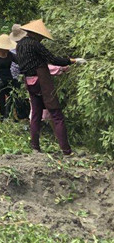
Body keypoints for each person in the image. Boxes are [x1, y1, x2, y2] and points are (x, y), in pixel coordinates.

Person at [15, 18, 81, 156]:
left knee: (36, 114)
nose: (42, 39)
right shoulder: (35, 45)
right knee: (56, 114)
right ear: (36, 33)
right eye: (41, 36)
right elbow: (53, 60)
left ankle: (35, 147)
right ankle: (66, 150)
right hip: (41, 80)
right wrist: (73, 61)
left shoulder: (19, 45)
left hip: (29, 81)